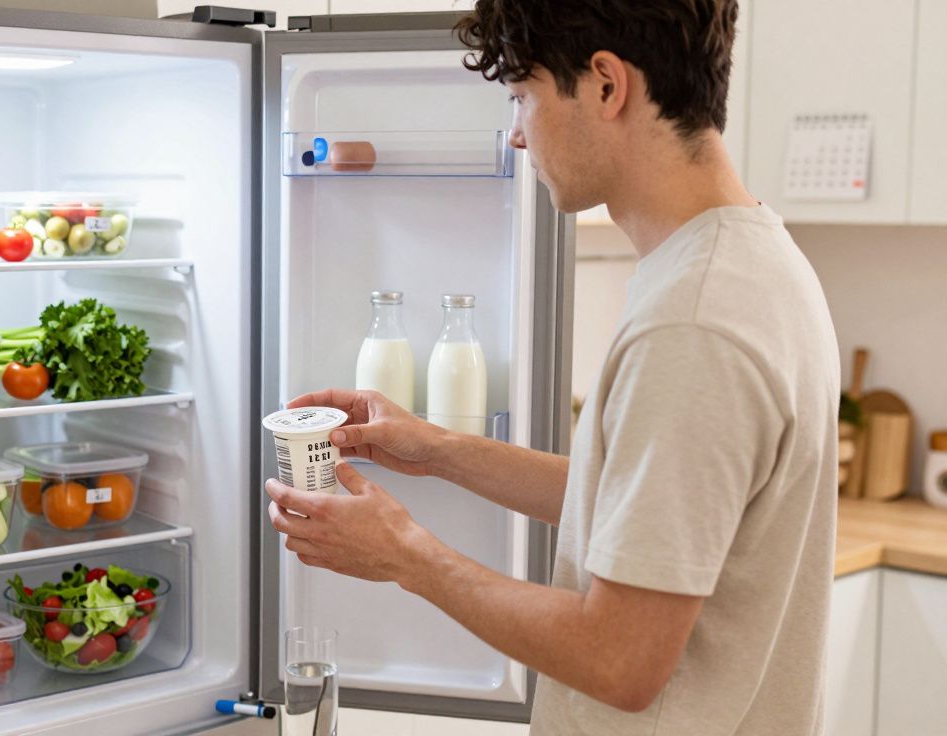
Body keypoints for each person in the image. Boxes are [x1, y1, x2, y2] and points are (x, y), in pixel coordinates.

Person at [263, 1, 840, 733]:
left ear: (606, 85)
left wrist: (406, 554)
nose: (514, 131)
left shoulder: (693, 322)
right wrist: (439, 451)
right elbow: (650, 512)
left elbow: (620, 661)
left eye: (523, 96)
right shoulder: (750, 260)